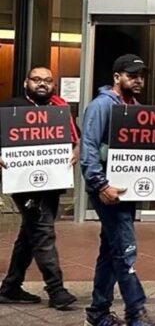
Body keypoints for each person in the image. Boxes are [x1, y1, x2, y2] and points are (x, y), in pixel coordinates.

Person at [80, 54, 155, 326]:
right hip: (107, 189)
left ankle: (98, 312)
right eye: (132, 75)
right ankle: (136, 313)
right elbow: (88, 149)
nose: (138, 80)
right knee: (125, 250)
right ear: (117, 77)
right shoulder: (101, 106)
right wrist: (100, 184)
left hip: (126, 189)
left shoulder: (134, 107)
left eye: (141, 75)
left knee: (111, 249)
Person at [0, 66, 78, 310]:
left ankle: (11, 287)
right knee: (43, 231)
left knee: (30, 233)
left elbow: (75, 138)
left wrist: (76, 150)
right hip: (24, 184)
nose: (42, 84)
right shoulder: (10, 107)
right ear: (26, 83)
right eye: (36, 80)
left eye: (47, 80)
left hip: (52, 183)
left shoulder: (59, 110)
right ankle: (56, 289)